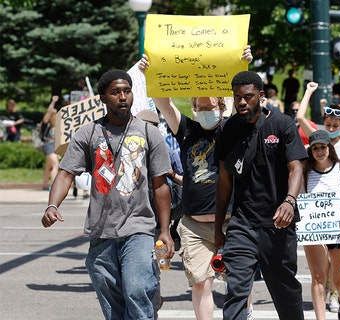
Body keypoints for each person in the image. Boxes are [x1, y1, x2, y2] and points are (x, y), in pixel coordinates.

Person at [40, 69, 173, 319]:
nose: (123, 97)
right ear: (102, 98)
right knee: (113, 306)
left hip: (139, 228)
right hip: (101, 232)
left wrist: (164, 230)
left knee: (136, 289)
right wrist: (52, 206)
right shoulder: (88, 133)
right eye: (115, 92)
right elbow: (66, 173)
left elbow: (160, 185)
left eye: (127, 91)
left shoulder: (148, 133)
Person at [139, 45, 254, 320]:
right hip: (195, 225)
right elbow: (163, 102)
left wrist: (245, 66)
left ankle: (244, 314)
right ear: (193, 107)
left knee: (238, 283)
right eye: (200, 106)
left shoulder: (233, 128)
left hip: (232, 221)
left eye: (210, 106)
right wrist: (150, 74)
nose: (205, 110)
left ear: (221, 106)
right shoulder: (187, 130)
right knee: (201, 282)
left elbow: (249, 101)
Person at [214, 71, 307, 320]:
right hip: (242, 223)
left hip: (277, 224)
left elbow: (296, 167)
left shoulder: (282, 123)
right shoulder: (228, 129)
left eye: (248, 97)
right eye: (237, 98)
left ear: (261, 96)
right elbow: (224, 182)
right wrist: (218, 229)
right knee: (235, 290)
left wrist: (289, 201)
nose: (242, 102)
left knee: (284, 288)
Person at [302, 130, 340, 320]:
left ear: (329, 147)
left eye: (322, 147)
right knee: (318, 277)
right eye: (315, 148)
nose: (319, 151)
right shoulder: (305, 171)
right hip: (314, 230)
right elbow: (300, 198)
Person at [297, 82, 340, 165]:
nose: (331, 129)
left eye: (335, 126)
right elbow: (300, 117)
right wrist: (308, 92)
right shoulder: (317, 138)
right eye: (328, 125)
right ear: (324, 123)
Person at [41, 95, 59, 190]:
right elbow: (48, 113)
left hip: (54, 146)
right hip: (48, 145)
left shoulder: (56, 126)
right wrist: (53, 102)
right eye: (55, 114)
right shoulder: (46, 123)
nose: (56, 116)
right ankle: (54, 186)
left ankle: (44, 185)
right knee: (55, 165)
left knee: (48, 167)